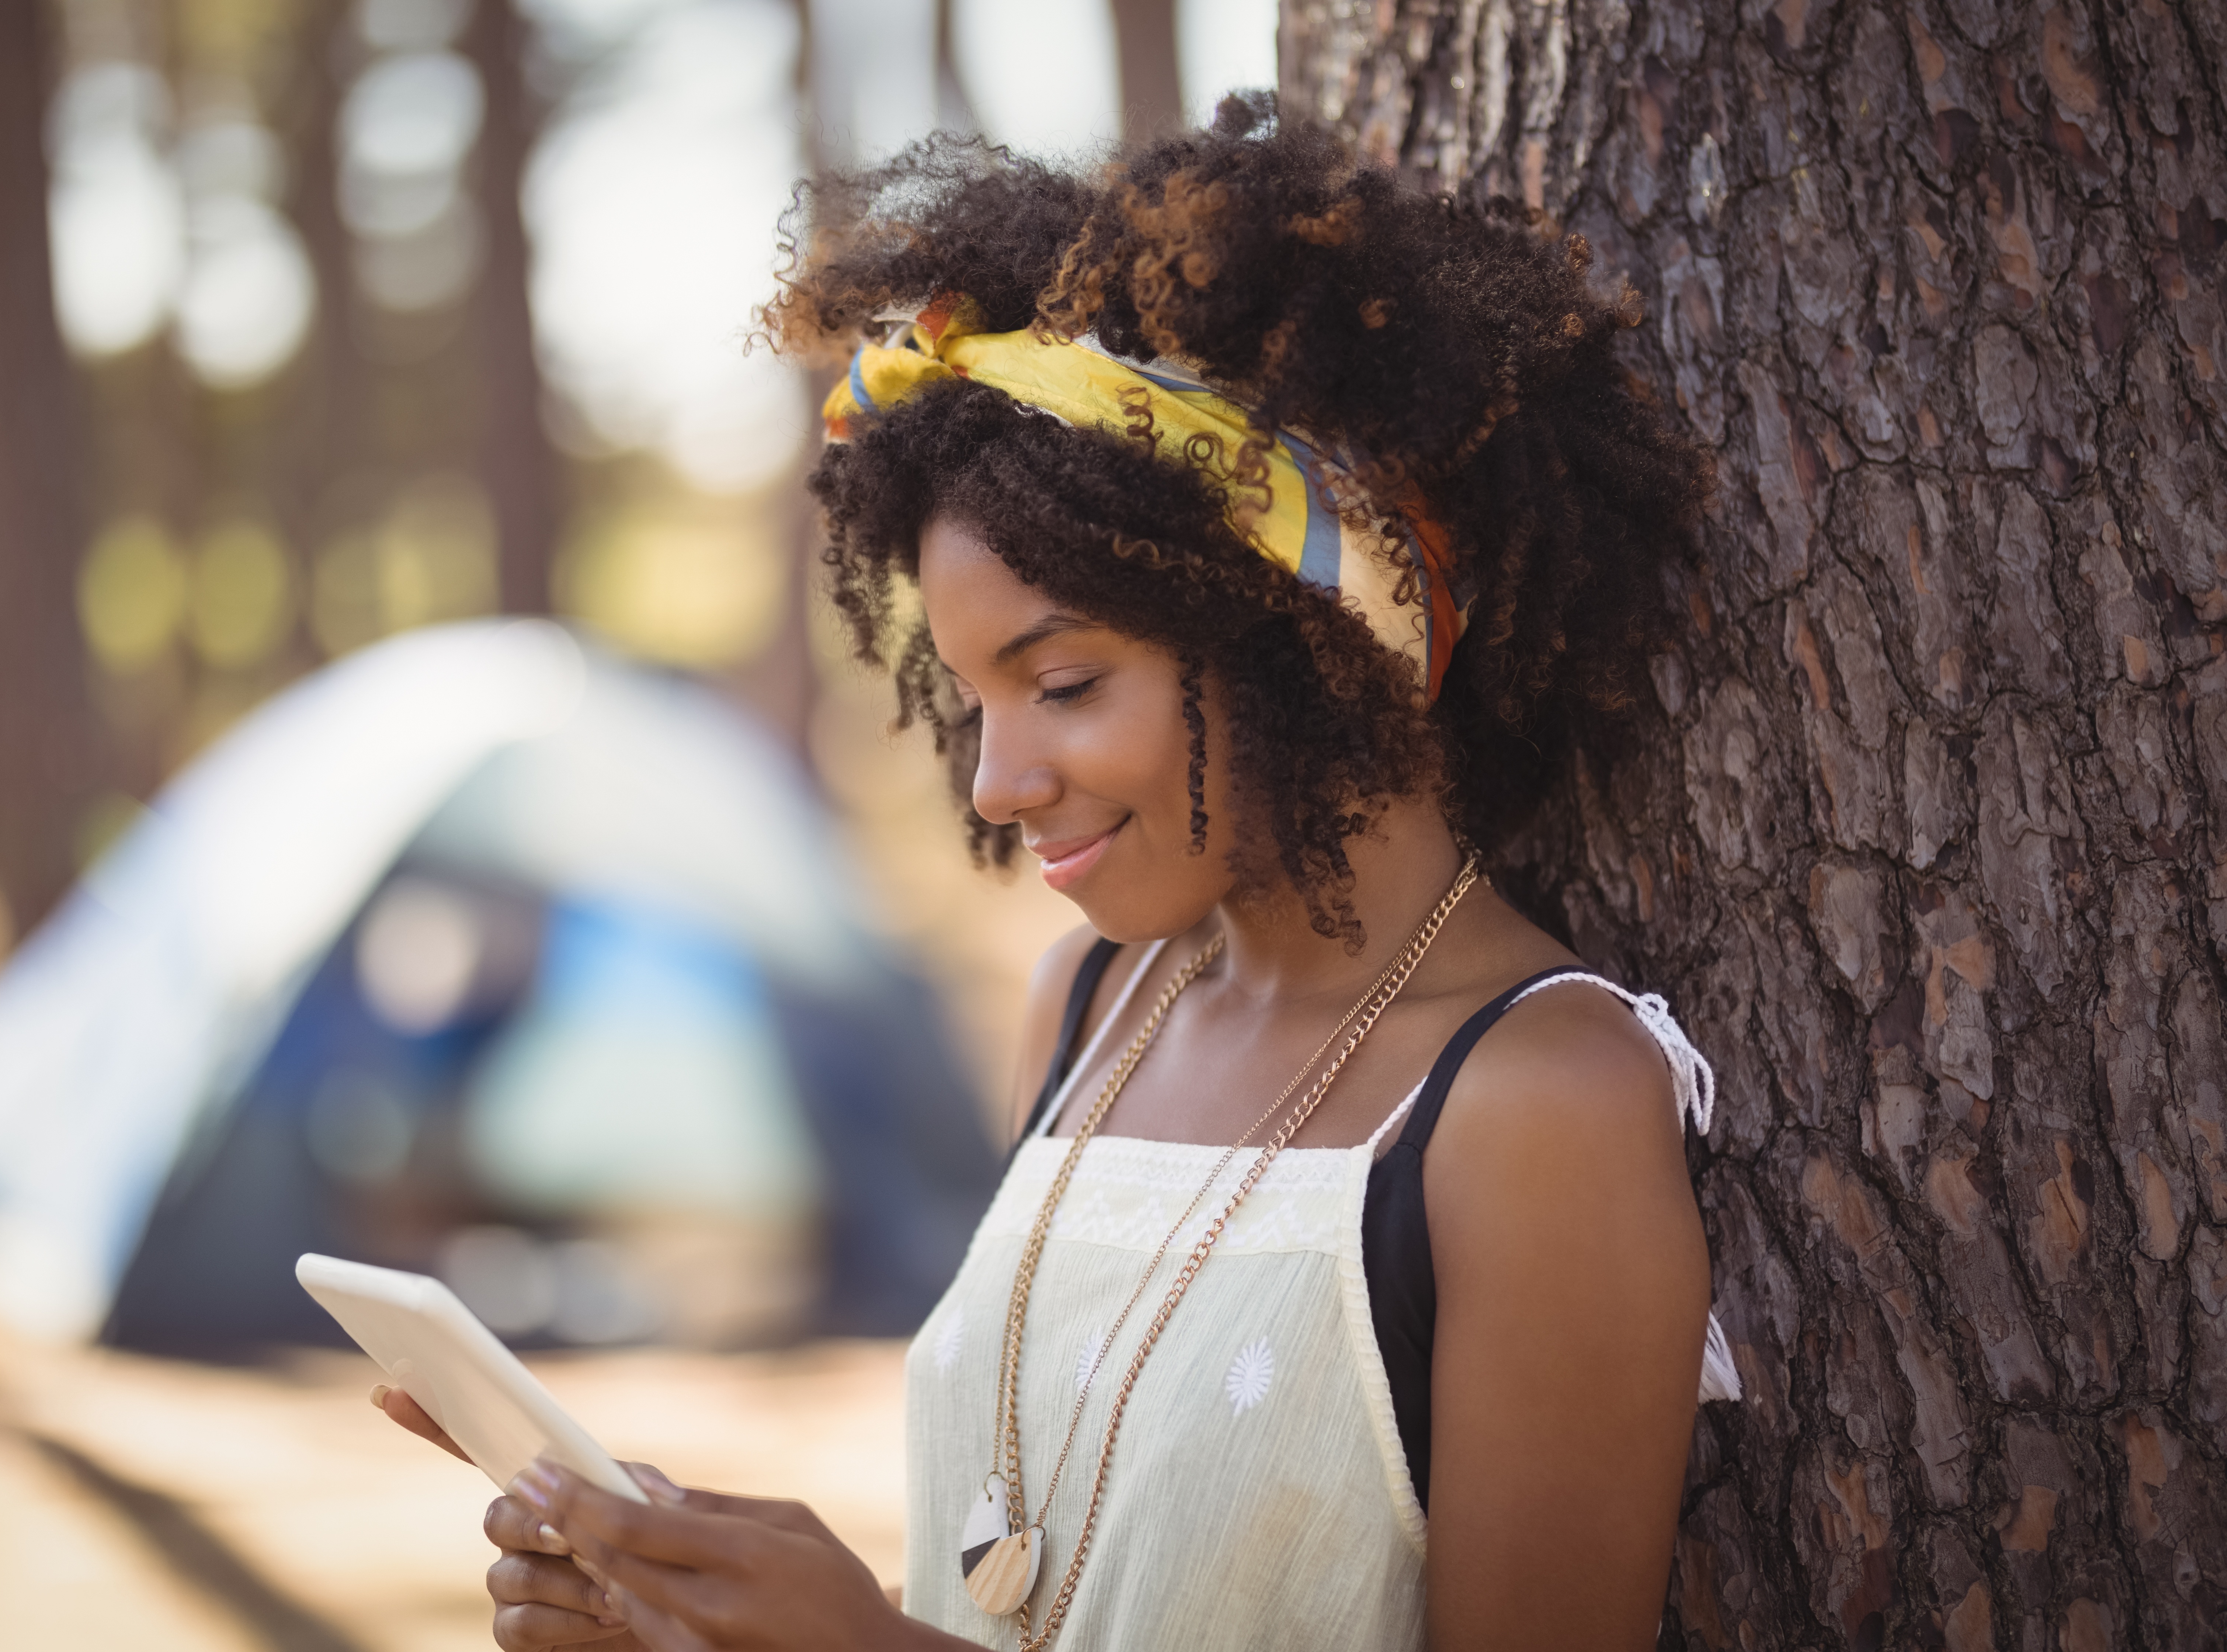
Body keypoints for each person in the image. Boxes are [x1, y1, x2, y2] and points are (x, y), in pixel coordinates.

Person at [381, 95, 1740, 1651]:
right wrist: (702, 1615)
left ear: (1310, 636)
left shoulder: (1534, 1106)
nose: (996, 782)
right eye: (975, 701)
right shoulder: (1090, 1008)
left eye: (1066, 683)